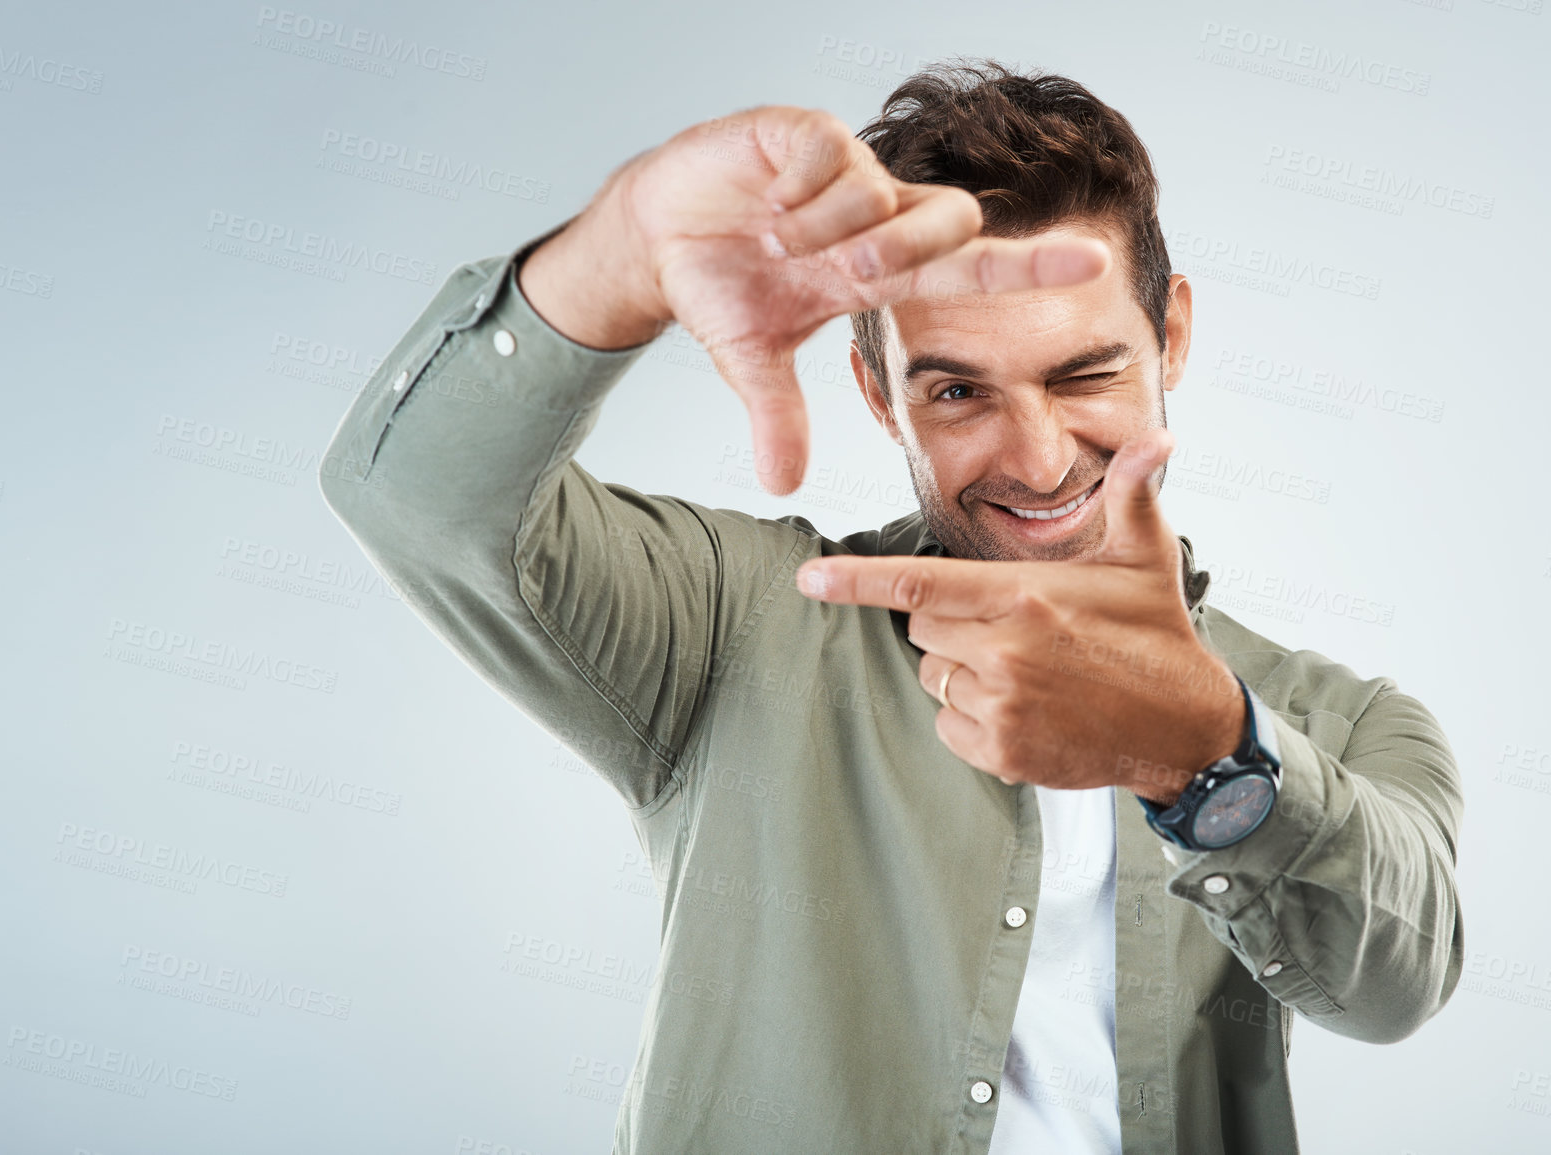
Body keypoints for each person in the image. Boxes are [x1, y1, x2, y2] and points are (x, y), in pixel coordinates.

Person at [317, 59, 1464, 1155]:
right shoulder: (736, 628)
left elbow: (1394, 984)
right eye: (959, 390)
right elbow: (417, 497)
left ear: (1170, 336)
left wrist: (1207, 754)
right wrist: (615, 258)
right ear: (877, 391)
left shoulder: (1343, 722)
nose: (1037, 456)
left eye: (1085, 375)